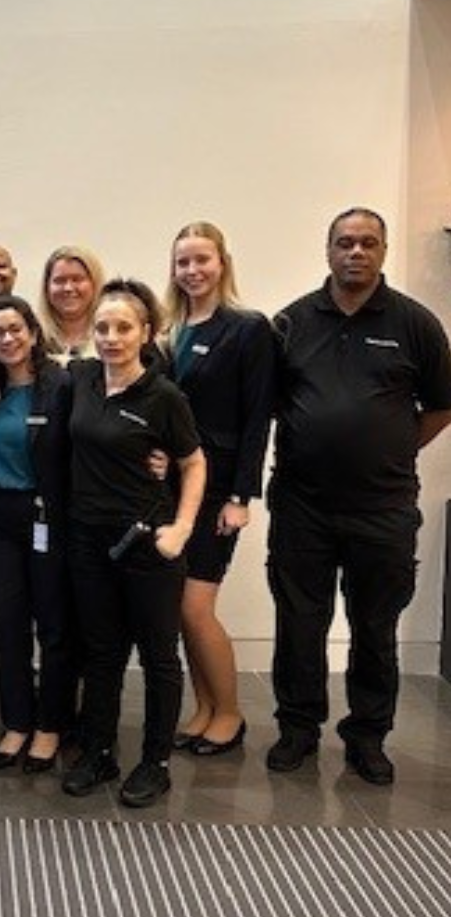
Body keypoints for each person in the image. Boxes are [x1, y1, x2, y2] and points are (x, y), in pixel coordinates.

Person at [267, 208, 451, 785]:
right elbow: (268, 404)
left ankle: (367, 737)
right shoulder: (291, 322)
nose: (356, 252)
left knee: (374, 628)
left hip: (383, 509)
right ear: (328, 250)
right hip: (302, 506)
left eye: (368, 243)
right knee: (299, 625)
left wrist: (391, 448)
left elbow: (442, 406)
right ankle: (298, 729)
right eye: (345, 242)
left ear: (384, 251)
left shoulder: (416, 324)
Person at [62, 280, 206, 809]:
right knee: (102, 652)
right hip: (88, 540)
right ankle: (99, 752)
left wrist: (182, 528)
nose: (112, 337)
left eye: (124, 328)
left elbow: (194, 462)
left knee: (158, 657)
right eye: (102, 328)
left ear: (145, 333)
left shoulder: (163, 396)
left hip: (147, 542)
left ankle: (155, 763)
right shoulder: (82, 379)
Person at [163, 222, 275, 755]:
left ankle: (229, 713)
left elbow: (258, 418)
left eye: (201, 259)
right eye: (183, 262)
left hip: (217, 489)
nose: (192, 270)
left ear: (222, 262)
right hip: (171, 488)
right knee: (179, 607)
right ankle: (204, 708)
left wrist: (240, 497)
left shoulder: (247, 329)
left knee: (195, 606)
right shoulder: (168, 330)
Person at [0, 295, 72, 774]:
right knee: (7, 622)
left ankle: (50, 724)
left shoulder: (63, 386)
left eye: (15, 329)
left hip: (46, 515)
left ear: (33, 333)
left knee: (53, 624)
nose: (7, 339)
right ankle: (16, 721)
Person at [37, 244, 105, 364]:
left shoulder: (110, 335)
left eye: (77, 279)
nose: (68, 288)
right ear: (46, 287)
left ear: (95, 284)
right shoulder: (32, 337)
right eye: (59, 281)